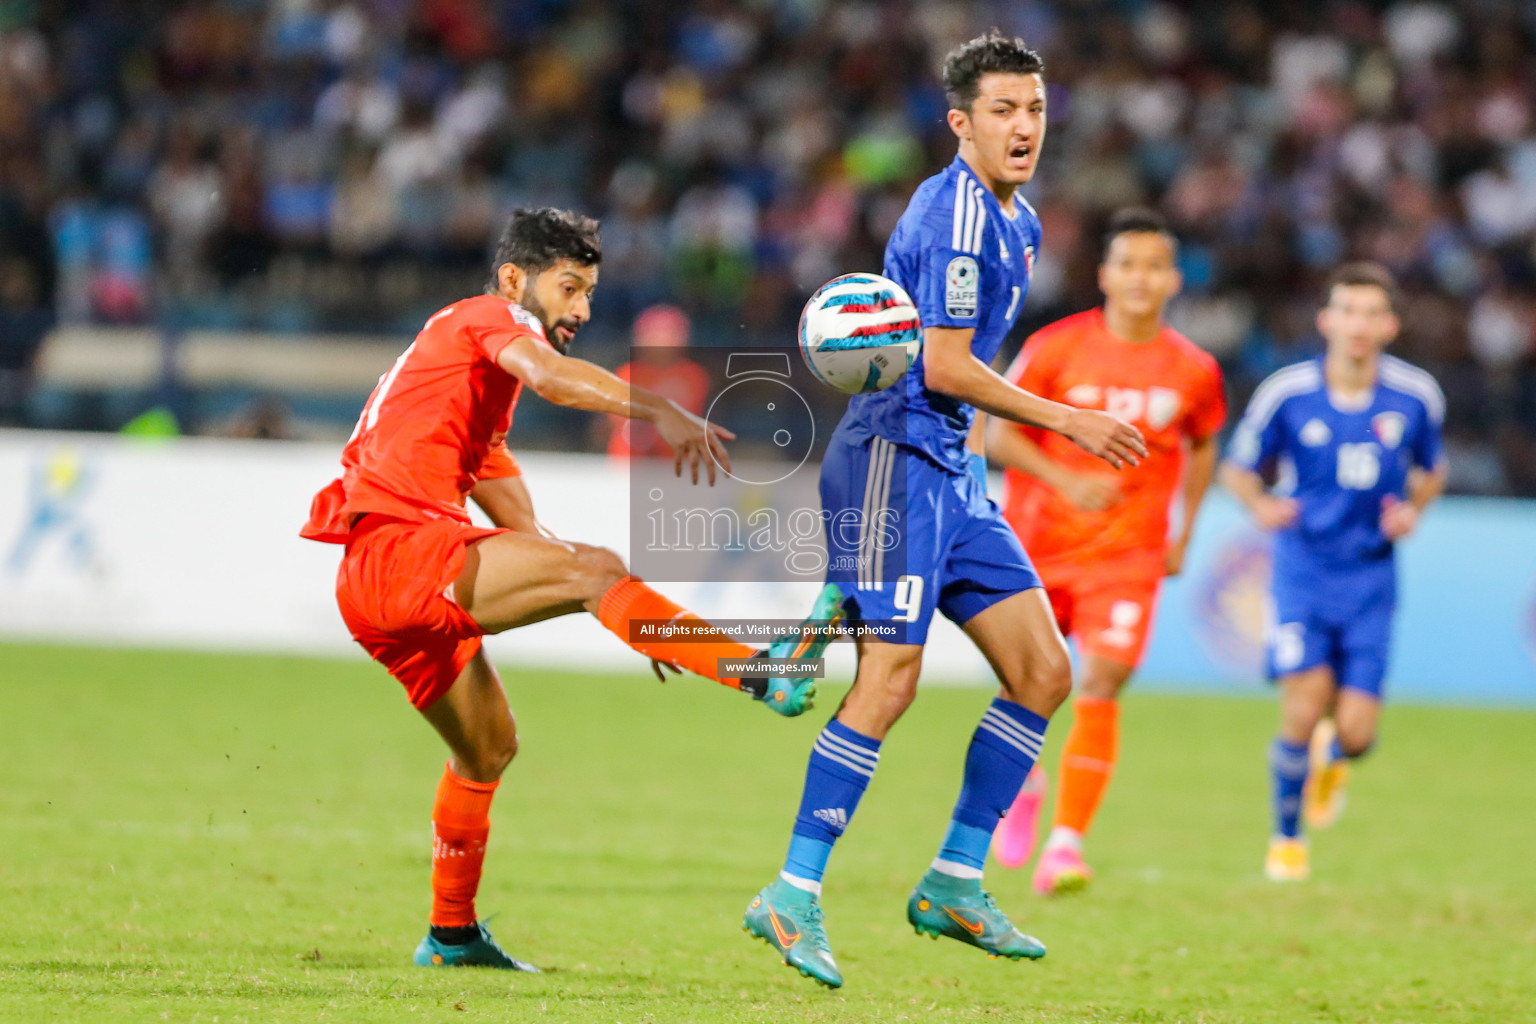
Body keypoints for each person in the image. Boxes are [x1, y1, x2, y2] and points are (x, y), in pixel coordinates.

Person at [300, 207, 830, 971]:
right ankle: (760, 673)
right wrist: (658, 406)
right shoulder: (486, 317)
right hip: (403, 551)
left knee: (488, 750)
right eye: (569, 287)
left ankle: (450, 935)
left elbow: (488, 469)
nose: (581, 308)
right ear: (516, 280)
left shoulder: (470, 367)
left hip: (383, 577)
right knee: (598, 568)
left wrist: (618, 603)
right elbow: (550, 379)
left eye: (588, 292)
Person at [741, 32, 1147, 989]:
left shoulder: (1023, 219)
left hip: (947, 468)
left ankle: (955, 879)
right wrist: (1065, 421)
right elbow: (943, 363)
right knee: (892, 679)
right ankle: (791, 893)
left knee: (1044, 670)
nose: (1024, 127)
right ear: (960, 123)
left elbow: (958, 378)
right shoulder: (958, 213)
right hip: (890, 456)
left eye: (1036, 109)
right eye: (1004, 110)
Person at [986, 208, 1227, 894]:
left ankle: (1066, 846)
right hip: (1038, 542)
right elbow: (998, 435)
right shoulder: (1057, 348)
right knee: (1023, 683)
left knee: (1102, 681)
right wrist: (1066, 479)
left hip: (1128, 555)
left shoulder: (1194, 369)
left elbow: (1205, 441)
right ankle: (1025, 785)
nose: (1140, 278)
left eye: (1154, 266)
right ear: (1105, 275)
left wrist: (1185, 529)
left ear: (1173, 279)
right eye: (1128, 264)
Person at [1220, 261, 1446, 882]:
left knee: (1358, 732)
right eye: (1347, 310)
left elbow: (1434, 468)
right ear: (1326, 319)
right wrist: (1261, 504)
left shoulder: (1416, 396)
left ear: (1391, 325)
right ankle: (1286, 842)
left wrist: (1412, 509)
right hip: (1302, 571)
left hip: (1372, 580)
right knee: (1302, 704)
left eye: (1372, 313)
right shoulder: (1287, 393)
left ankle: (1335, 756)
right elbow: (1238, 467)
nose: (1358, 324)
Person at [603, 304, 709, 460]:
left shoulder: (692, 375)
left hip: (674, 465)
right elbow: (613, 421)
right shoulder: (627, 373)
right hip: (628, 464)